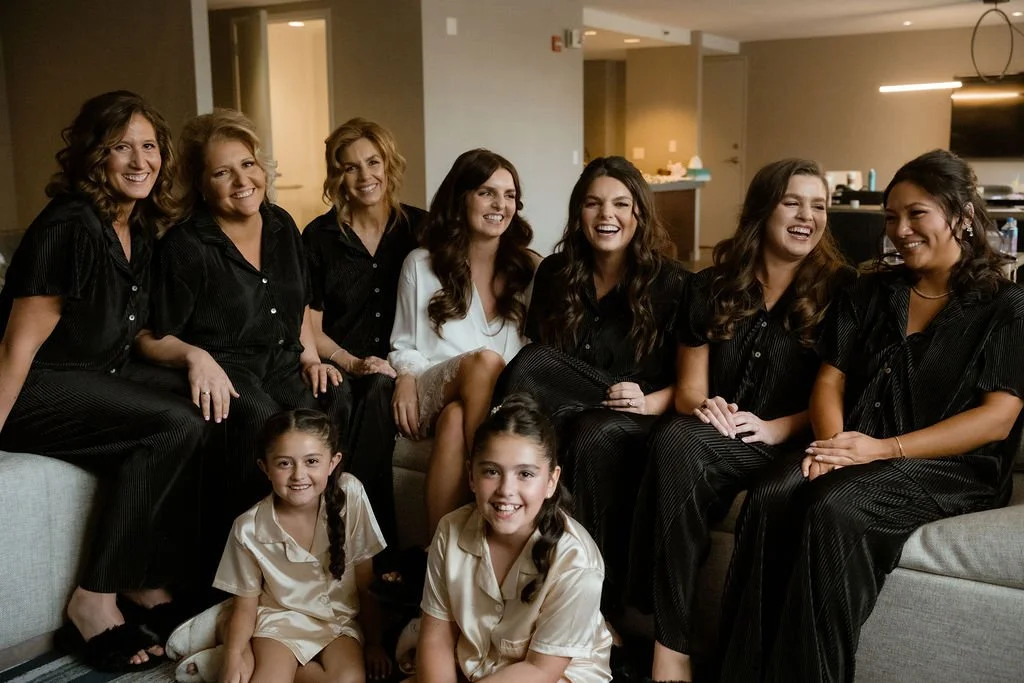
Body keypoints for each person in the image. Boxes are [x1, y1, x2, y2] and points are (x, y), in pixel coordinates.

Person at [718, 149, 1024, 683]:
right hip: (855, 447)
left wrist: (878, 452)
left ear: (960, 216)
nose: (900, 229)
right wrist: (834, 447)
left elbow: (997, 420)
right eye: (891, 217)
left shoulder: (1007, 305)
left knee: (834, 508)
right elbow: (830, 379)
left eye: (916, 213)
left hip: (952, 467)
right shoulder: (871, 289)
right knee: (770, 494)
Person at [0, 91, 206, 671]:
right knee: (173, 423)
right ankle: (94, 598)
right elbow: (18, 348)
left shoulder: (135, 225)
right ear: (95, 155)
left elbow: (131, 332)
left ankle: (144, 581)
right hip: (38, 389)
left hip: (97, 378)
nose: (140, 161)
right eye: (122, 148)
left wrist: (193, 356)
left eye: (149, 146)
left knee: (212, 408)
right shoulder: (69, 226)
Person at [629, 159, 851, 683]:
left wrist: (778, 427)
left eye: (818, 206)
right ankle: (670, 644)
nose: (807, 216)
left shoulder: (845, 290)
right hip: (721, 436)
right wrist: (705, 407)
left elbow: (847, 394)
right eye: (792, 202)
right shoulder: (709, 285)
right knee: (676, 440)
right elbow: (689, 389)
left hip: (794, 443)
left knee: (720, 464)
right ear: (762, 209)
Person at [138, 109, 348, 546]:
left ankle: (333, 540)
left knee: (335, 397)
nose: (241, 181)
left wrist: (311, 357)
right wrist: (196, 358)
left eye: (247, 165)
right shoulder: (185, 245)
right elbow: (153, 336)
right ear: (199, 184)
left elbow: (299, 308)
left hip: (284, 363)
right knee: (266, 424)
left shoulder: (282, 224)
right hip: (228, 370)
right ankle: (249, 556)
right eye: (222, 173)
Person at [491, 155, 687, 615]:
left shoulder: (674, 283)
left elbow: (695, 382)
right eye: (593, 204)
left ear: (639, 212)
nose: (607, 216)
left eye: (621, 204)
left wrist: (650, 400)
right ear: (578, 212)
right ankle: (502, 532)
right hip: (571, 410)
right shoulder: (558, 273)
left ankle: (596, 610)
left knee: (579, 416)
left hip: (637, 416)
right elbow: (547, 374)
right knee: (551, 393)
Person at [389, 148, 539, 537]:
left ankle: (435, 556)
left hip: (495, 400)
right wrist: (404, 376)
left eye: (509, 196)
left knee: (457, 420)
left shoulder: (527, 270)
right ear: (461, 199)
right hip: (430, 386)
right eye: (487, 192)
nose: (500, 205)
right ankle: (493, 471)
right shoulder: (421, 264)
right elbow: (404, 342)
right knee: (484, 362)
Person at [412, 394, 613, 683]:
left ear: (551, 481)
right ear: (471, 475)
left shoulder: (577, 561)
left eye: (525, 474)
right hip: (477, 669)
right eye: (492, 472)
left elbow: (540, 670)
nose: (506, 489)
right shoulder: (450, 531)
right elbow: (437, 638)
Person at [303, 117, 425, 552]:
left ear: (389, 164)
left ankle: (369, 547)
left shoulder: (419, 229)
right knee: (340, 394)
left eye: (373, 162)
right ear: (338, 176)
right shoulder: (318, 238)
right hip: (340, 360)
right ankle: (327, 533)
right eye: (350, 167)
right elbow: (311, 329)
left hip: (403, 364)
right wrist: (349, 361)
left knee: (377, 389)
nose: (365, 176)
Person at [214, 408, 390, 683]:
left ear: (332, 463)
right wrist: (235, 654)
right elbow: (246, 605)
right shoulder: (247, 528)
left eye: (311, 461)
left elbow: (365, 580)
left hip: (338, 621)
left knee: (348, 681)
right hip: (280, 620)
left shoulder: (350, 493)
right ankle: (230, 643)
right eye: (284, 463)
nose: (299, 475)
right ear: (265, 467)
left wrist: (375, 643)